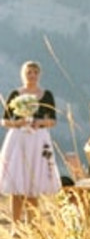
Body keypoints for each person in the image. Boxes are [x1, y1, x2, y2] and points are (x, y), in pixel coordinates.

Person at [0, 61, 61, 228]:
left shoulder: (46, 95)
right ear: (23, 74)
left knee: (34, 184)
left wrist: (38, 121)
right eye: (29, 72)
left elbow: (53, 120)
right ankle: (16, 225)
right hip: (19, 139)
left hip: (38, 140)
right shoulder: (15, 94)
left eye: (35, 72)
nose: (32, 75)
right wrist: (19, 123)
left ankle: (33, 226)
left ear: (39, 74)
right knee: (17, 184)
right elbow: (4, 120)